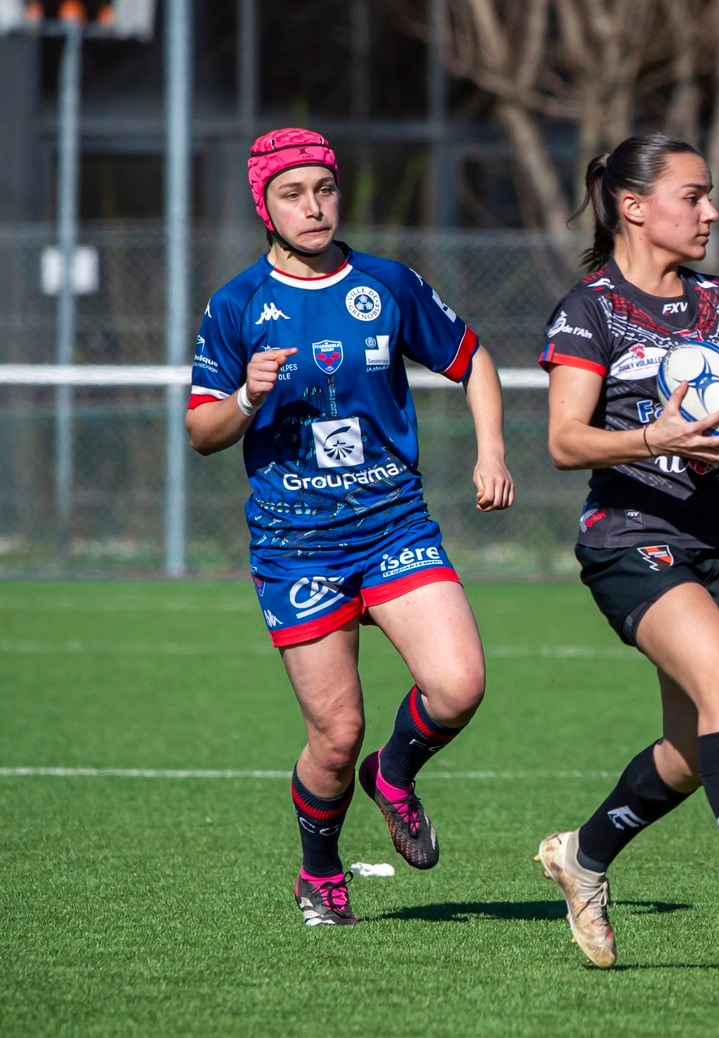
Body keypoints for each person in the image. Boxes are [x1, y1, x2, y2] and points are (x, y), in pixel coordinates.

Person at [186, 128, 514, 926]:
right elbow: (200, 431)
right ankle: (320, 870)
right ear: (263, 206)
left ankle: (395, 773)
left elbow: (475, 360)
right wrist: (248, 399)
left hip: (393, 522)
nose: (314, 206)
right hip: (296, 545)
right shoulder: (237, 306)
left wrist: (491, 451)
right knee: (335, 736)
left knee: (459, 683)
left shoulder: (386, 283)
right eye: (293, 193)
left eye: (325, 190)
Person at [535, 132, 719, 968]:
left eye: (708, 195)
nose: (711, 212)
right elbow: (563, 440)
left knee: (693, 750)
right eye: (692, 196)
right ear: (634, 206)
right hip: (630, 537)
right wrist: (651, 435)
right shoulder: (591, 311)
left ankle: (580, 857)